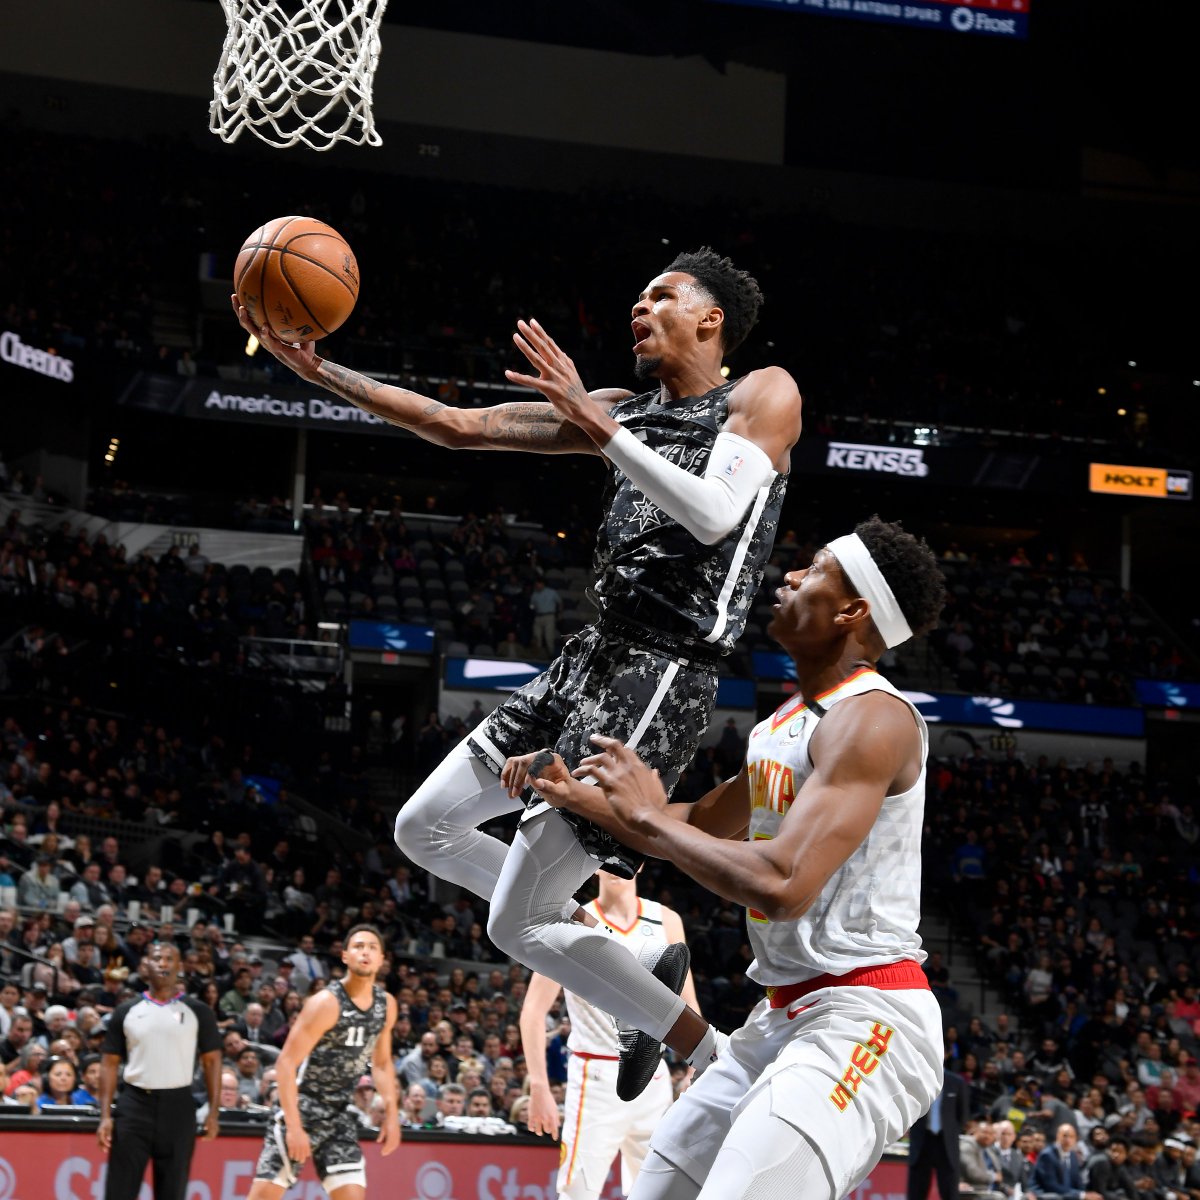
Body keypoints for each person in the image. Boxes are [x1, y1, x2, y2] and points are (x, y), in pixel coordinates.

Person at [235, 247, 801, 1097]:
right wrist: (320, 371)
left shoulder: (762, 393)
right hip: (592, 653)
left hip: (661, 670)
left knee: (515, 926)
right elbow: (455, 424)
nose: (639, 308)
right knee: (423, 828)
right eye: (638, 296)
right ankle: (628, 956)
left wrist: (598, 426)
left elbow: (716, 516)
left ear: (710, 318)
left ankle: (706, 1053)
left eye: (660, 295)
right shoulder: (623, 411)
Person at [527, 515, 949, 1200]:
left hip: (865, 1016)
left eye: (814, 569)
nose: (790, 575)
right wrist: (575, 794)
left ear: (851, 611)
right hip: (777, 1019)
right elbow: (695, 822)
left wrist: (642, 814)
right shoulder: (785, 725)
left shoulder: (873, 719)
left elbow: (784, 883)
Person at [519, 869, 700, 1200]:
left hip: (654, 1078)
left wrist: (697, 1063)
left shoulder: (666, 919)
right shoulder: (569, 921)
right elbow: (533, 1010)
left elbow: (687, 1002)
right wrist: (539, 1087)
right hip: (596, 1078)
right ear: (595, 863)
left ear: (641, 863)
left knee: (661, 1191)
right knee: (577, 1193)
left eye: (626, 855)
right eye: (608, 857)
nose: (616, 866)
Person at [247, 925, 400, 1200]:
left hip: (339, 1113)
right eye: (358, 946)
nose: (365, 952)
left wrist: (391, 1115)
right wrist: (294, 1127)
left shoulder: (386, 1005)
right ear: (345, 956)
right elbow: (285, 1064)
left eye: (372, 948)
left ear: (381, 959)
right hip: (302, 1107)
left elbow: (382, 1064)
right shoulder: (326, 1003)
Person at [97, 941, 223, 1200]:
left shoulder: (199, 1012)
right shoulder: (126, 1011)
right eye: (157, 958)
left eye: (169, 958)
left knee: (173, 1192)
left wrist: (213, 1112)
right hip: (134, 1105)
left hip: (178, 1107)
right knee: (119, 1191)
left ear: (179, 966)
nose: (163, 963)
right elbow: (109, 1064)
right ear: (146, 965)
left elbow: (212, 1062)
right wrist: (105, 1116)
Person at [907, 1066, 972, 1200]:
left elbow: (963, 1115)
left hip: (946, 1143)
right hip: (922, 1141)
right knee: (916, 1192)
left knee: (949, 1192)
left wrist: (950, 1131)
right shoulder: (916, 1079)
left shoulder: (956, 1082)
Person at [1029, 1122, 1102, 1200]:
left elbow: (1077, 1182)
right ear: (1057, 1136)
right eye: (1064, 1136)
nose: (1068, 1140)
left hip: (1067, 1195)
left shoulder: (1073, 1156)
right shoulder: (1047, 1155)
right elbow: (1051, 1186)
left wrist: (1085, 1194)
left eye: (1071, 1137)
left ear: (1075, 1139)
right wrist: (1081, 1195)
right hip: (1047, 1195)